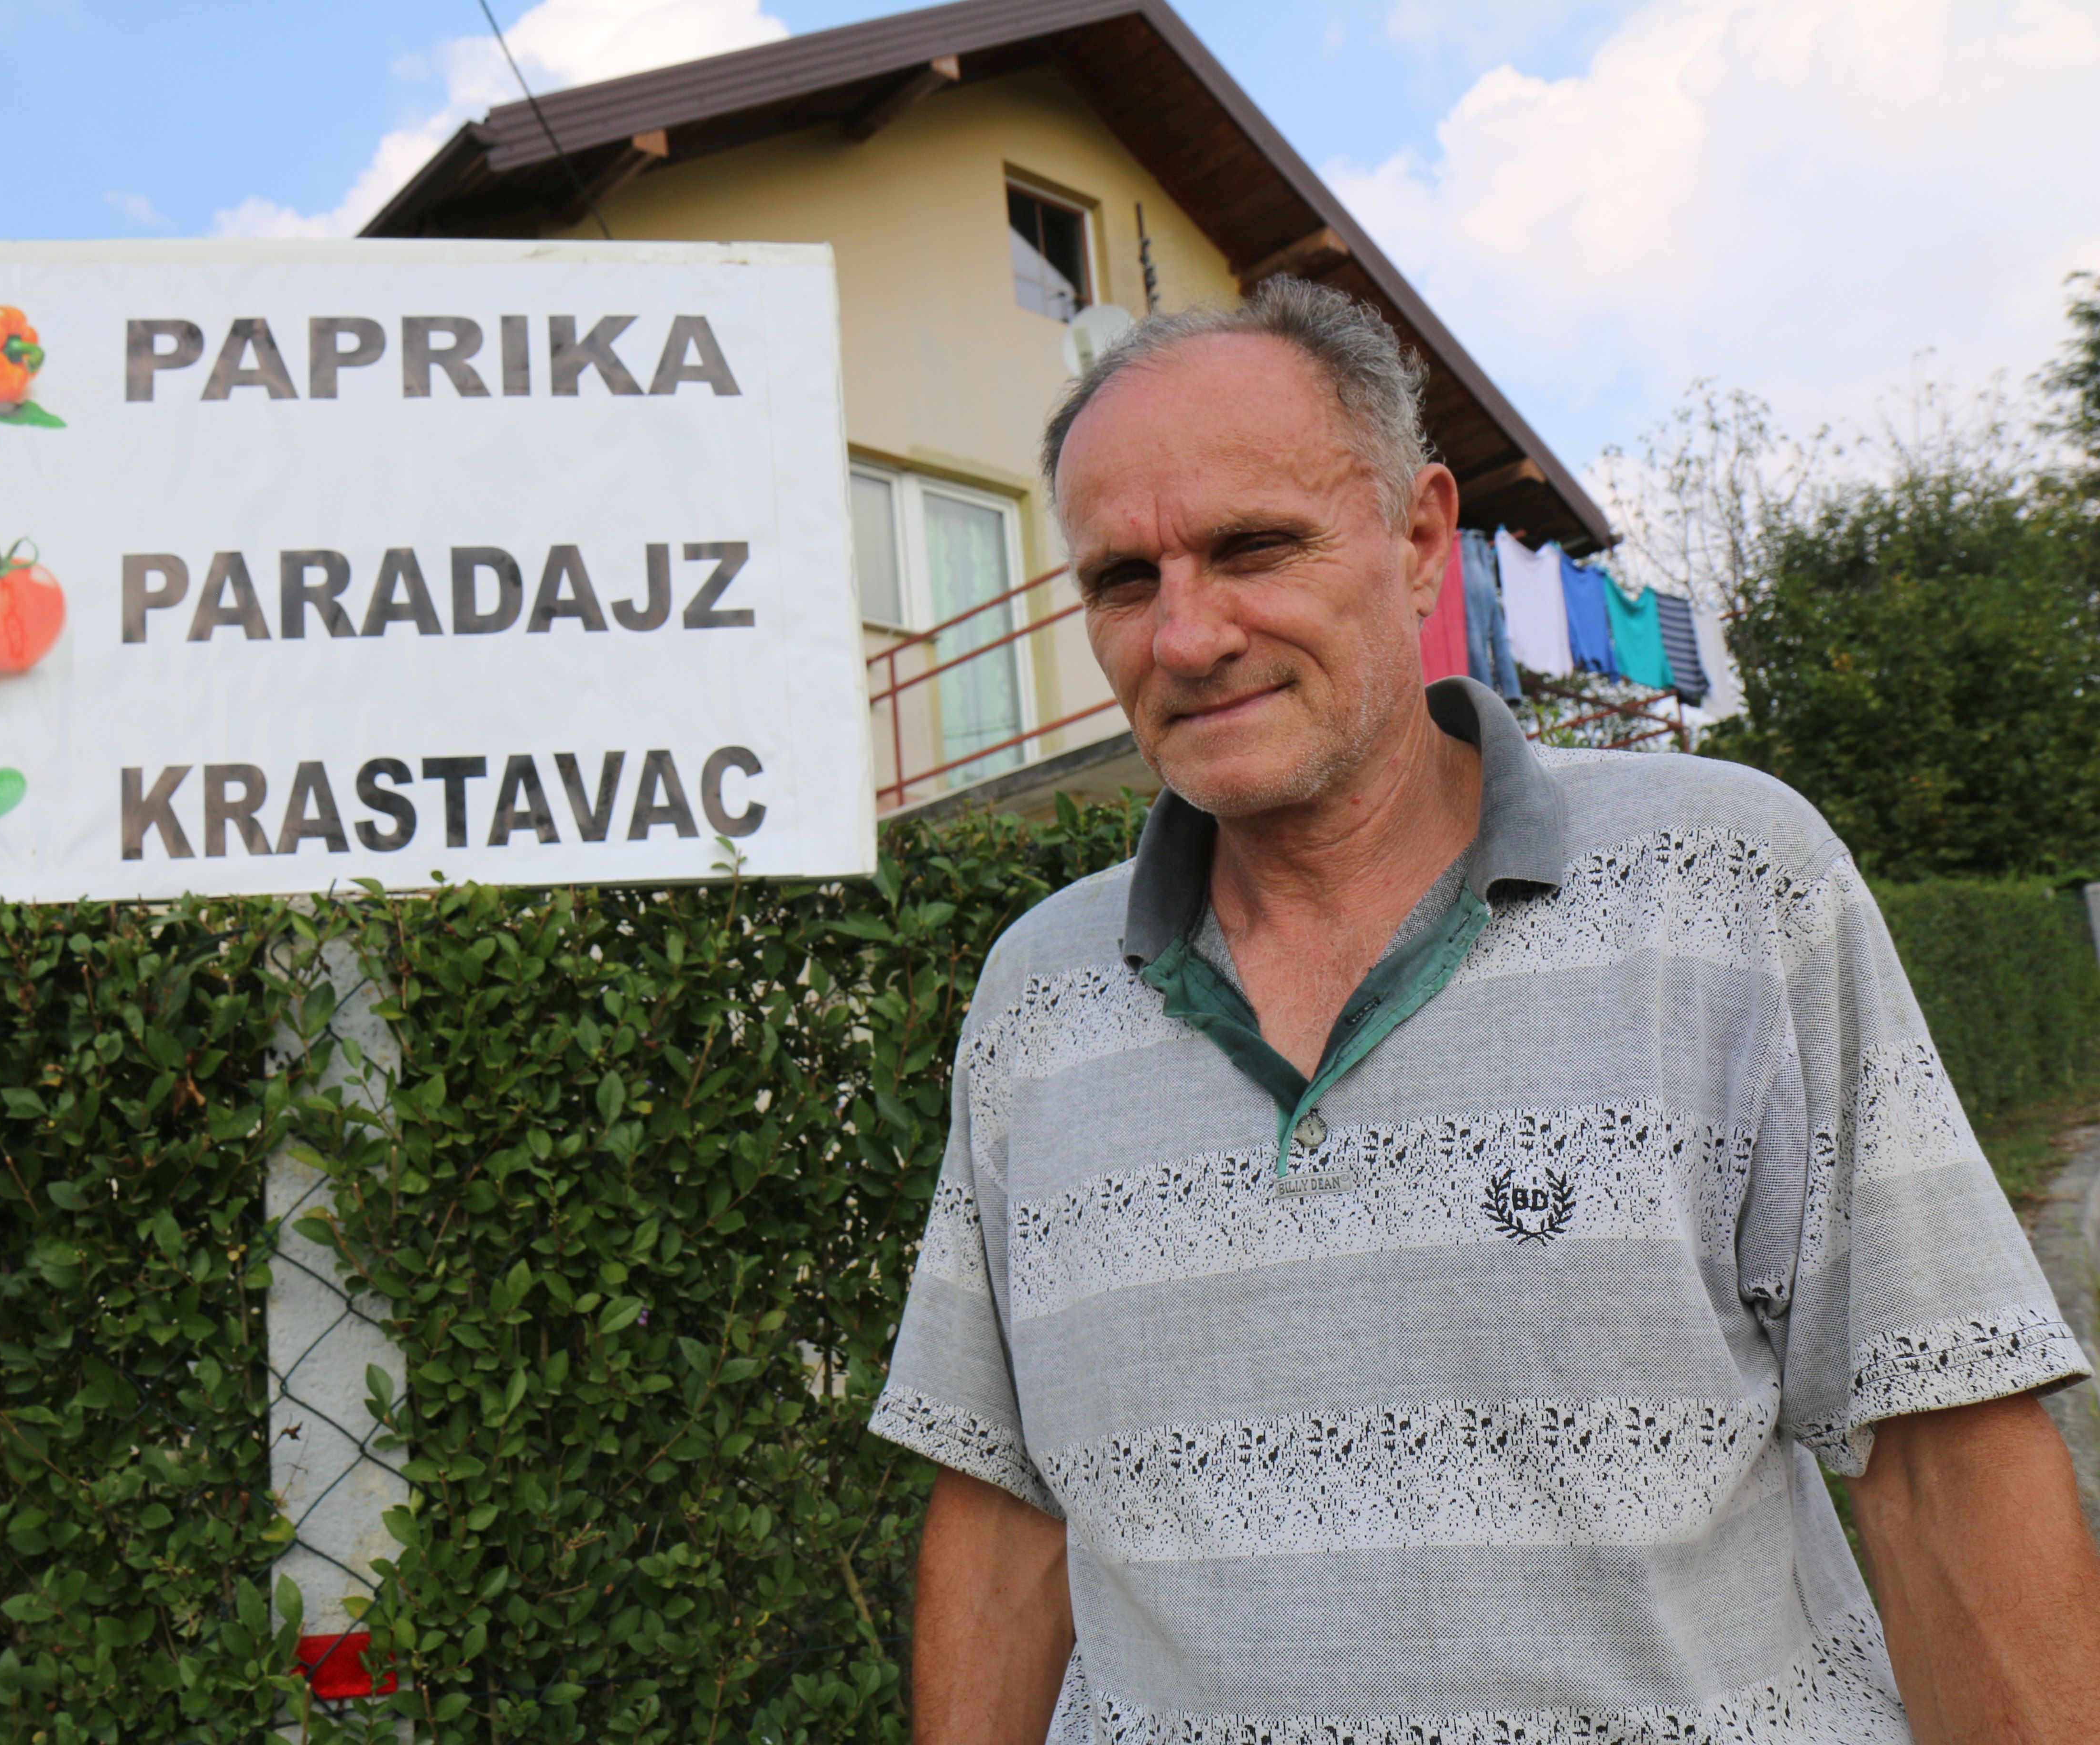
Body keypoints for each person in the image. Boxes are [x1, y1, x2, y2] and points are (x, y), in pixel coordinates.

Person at [868, 278, 2100, 1745]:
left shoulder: (1721, 884)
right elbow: (1007, 1516)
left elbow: (1941, 1455)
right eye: (1123, 580)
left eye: (1252, 547)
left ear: (1417, 539)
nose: (1184, 636)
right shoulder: (1036, 994)